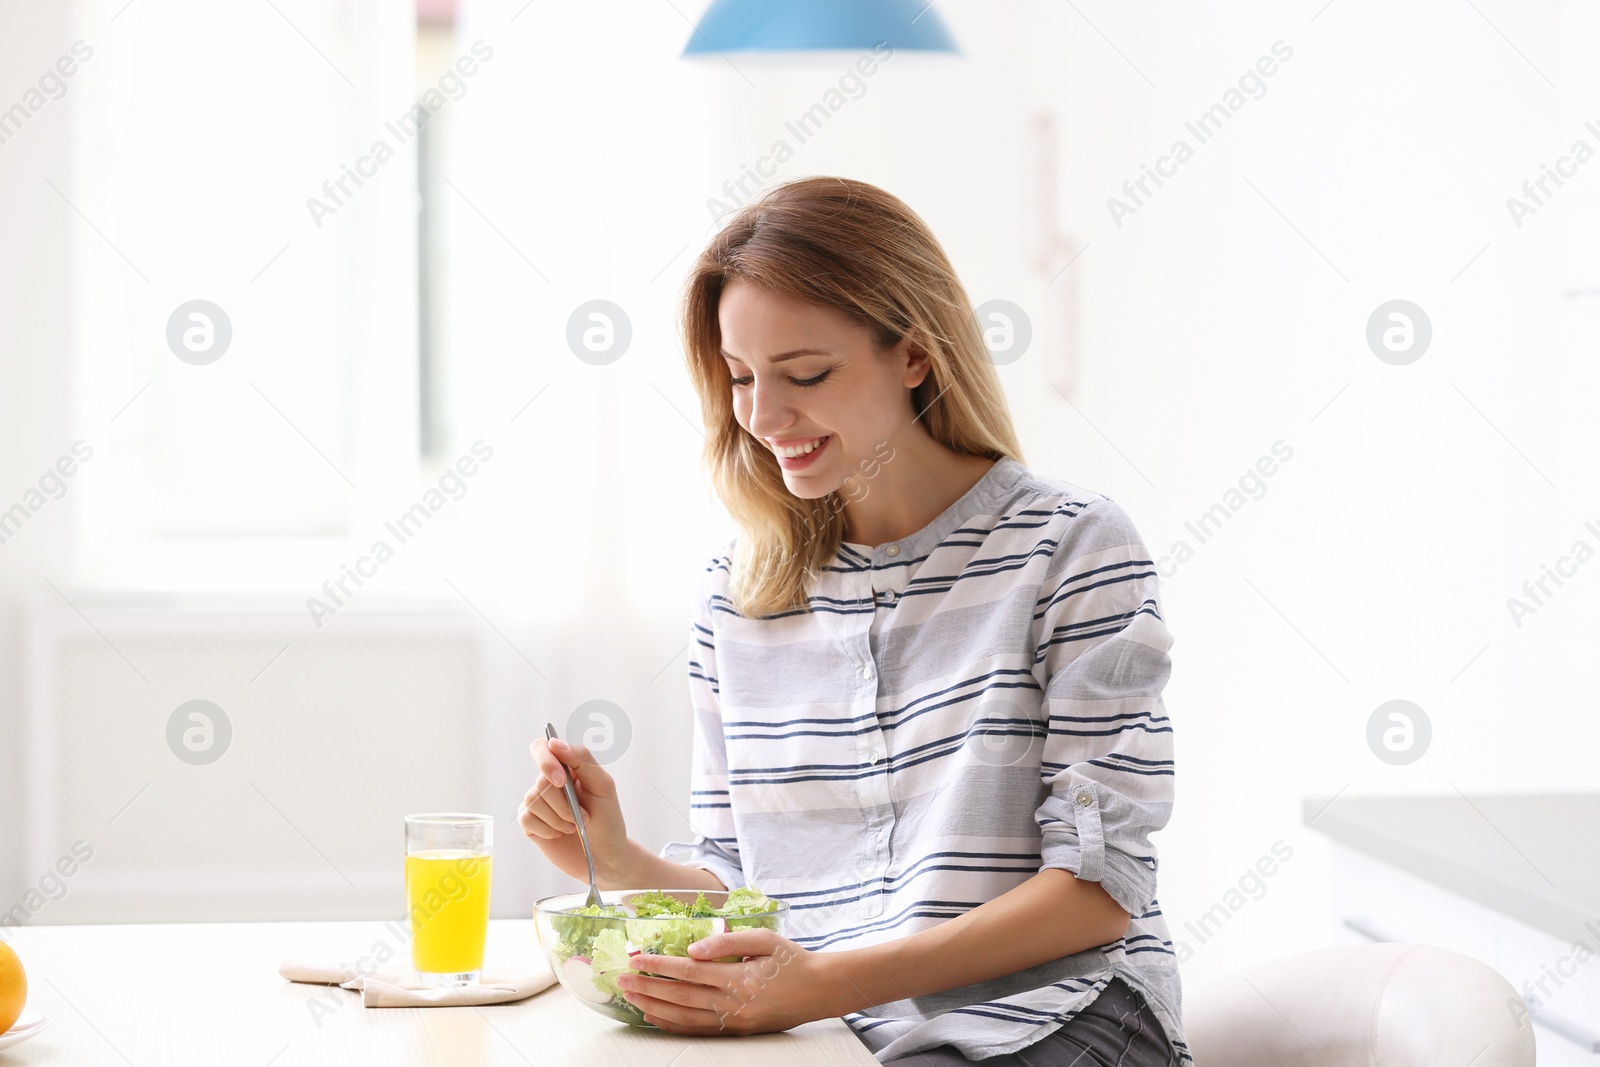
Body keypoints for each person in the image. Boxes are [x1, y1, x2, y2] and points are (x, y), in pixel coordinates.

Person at [519, 176, 1187, 1066]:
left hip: (1061, 1014)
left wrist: (825, 985)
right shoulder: (739, 593)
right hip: (840, 1031)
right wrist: (618, 855)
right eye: (742, 377)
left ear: (914, 354)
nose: (761, 416)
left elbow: (1098, 890)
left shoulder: (1070, 548)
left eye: (805, 374)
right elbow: (745, 884)